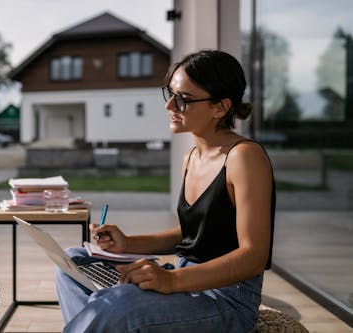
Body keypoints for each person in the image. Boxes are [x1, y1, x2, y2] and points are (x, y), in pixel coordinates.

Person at [55, 49, 275, 333]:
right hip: (184, 281)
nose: (170, 106)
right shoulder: (191, 157)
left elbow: (254, 256)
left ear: (220, 107)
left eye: (183, 99)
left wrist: (171, 282)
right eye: (170, 94)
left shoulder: (244, 157)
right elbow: (192, 234)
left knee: (118, 305)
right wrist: (128, 244)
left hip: (224, 301)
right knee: (72, 261)